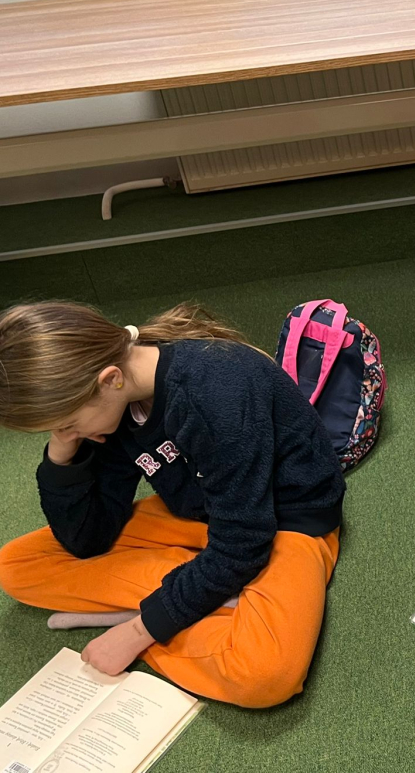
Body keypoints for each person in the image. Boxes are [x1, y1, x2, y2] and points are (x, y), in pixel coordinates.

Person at [0, 302, 345, 708]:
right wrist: (60, 456)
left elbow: (245, 541)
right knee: (15, 566)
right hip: (200, 513)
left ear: (110, 379)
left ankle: (193, 595)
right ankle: (207, 592)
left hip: (281, 520)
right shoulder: (115, 403)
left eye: (67, 424)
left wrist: (138, 632)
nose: (68, 434)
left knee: (262, 676)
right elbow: (88, 538)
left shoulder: (215, 392)